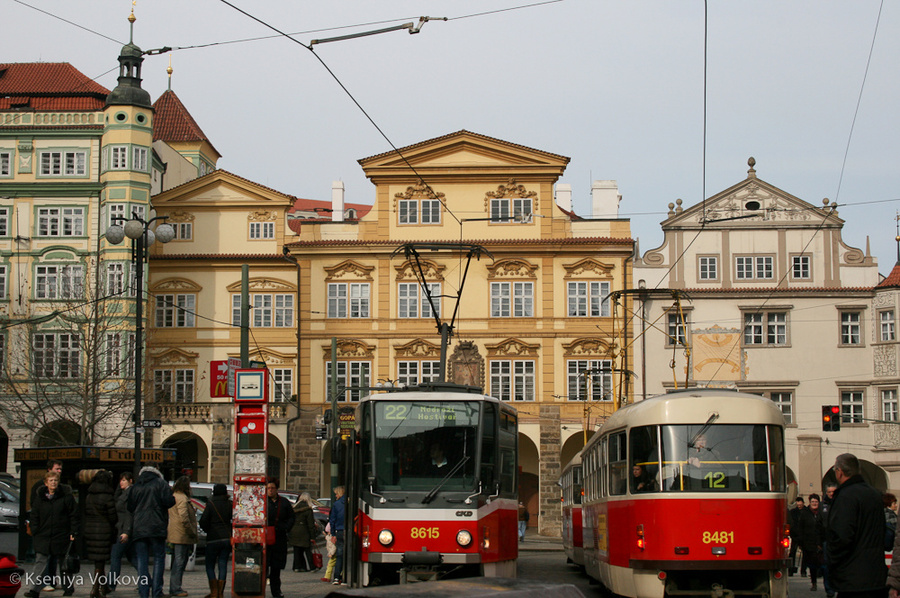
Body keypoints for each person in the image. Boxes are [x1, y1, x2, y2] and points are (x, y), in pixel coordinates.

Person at [825, 453, 886, 598]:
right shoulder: (875, 494)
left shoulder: (845, 496)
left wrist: (832, 559)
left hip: (852, 577)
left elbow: (841, 536)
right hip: (876, 575)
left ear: (840, 472)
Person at [24, 471, 78, 598]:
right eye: (51, 480)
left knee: (64, 564)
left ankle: (68, 588)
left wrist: (73, 531)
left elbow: (74, 515)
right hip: (43, 535)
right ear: (46, 483)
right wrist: (35, 530)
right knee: (40, 562)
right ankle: (34, 589)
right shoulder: (40, 498)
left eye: (55, 480)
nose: (53, 483)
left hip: (61, 534)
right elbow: (34, 515)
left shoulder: (66, 497)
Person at [128, 465, 176, 598]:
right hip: (157, 526)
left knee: (142, 560)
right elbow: (169, 501)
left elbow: (130, 506)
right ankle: (157, 591)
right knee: (158, 559)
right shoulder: (161, 483)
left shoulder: (136, 485)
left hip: (139, 527)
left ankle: (143, 592)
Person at [29, 460, 64, 594]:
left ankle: (51, 581)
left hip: (55, 530)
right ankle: (42, 583)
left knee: (53, 557)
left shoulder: (61, 488)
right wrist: (35, 528)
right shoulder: (39, 488)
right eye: (57, 469)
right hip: (43, 529)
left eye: (60, 469)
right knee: (43, 558)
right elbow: (35, 509)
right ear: (49, 470)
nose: (59, 471)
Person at [83, 470, 118, 598]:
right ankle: (95, 588)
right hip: (104, 530)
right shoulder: (108, 496)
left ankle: (103, 586)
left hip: (90, 529)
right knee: (100, 560)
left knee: (99, 560)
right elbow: (113, 516)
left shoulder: (89, 495)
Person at [199, 483, 232, 598]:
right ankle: (220, 592)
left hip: (213, 538)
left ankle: (214, 592)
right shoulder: (229, 504)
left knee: (210, 565)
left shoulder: (211, 504)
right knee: (223, 563)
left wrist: (208, 529)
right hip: (226, 538)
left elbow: (203, 521)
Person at [167, 476, 198, 598]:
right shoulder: (182, 498)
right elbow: (184, 517)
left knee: (177, 560)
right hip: (182, 533)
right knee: (180, 561)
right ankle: (175, 587)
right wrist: (191, 531)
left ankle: (174, 586)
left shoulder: (174, 496)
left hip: (175, 532)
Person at [265, 479, 295, 598]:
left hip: (279, 537)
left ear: (276, 489)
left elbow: (292, 517)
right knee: (264, 565)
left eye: (272, 488)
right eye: (268, 488)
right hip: (265, 538)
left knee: (276, 568)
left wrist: (286, 527)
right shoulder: (262, 502)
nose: (270, 490)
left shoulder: (284, 502)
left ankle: (276, 591)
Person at [108, 472, 133, 594]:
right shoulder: (122, 493)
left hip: (123, 530)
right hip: (120, 529)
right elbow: (115, 497)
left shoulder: (129, 494)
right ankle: (148, 580)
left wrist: (126, 531)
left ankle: (111, 584)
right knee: (133, 558)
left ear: (130, 481)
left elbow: (129, 514)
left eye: (124, 480)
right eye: (120, 480)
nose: (121, 482)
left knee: (115, 557)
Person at [796, 493, 823, 590]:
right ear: (809, 502)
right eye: (812, 502)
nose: (814, 503)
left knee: (823, 564)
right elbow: (800, 528)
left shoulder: (822, 512)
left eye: (816, 502)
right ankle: (814, 583)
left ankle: (825, 583)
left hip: (821, 542)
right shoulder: (805, 513)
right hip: (809, 543)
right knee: (812, 565)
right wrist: (801, 542)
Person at [288, 493, 318, 572]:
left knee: (297, 550)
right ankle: (312, 567)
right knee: (308, 550)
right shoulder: (308, 509)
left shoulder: (294, 508)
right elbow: (310, 524)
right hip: (304, 531)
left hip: (294, 531)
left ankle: (297, 566)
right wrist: (312, 536)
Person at [329, 486, 346, 586]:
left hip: (339, 531)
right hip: (350, 530)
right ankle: (345, 577)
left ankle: (336, 577)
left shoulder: (336, 504)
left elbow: (332, 520)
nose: (335, 495)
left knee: (339, 554)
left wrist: (333, 533)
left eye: (336, 493)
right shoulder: (350, 502)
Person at [789, 496, 805, 575]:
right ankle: (791, 569)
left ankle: (803, 571)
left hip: (804, 535)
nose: (799, 505)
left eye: (800, 503)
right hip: (795, 535)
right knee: (792, 552)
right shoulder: (793, 512)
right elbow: (791, 523)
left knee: (805, 553)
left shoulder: (806, 511)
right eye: (798, 504)